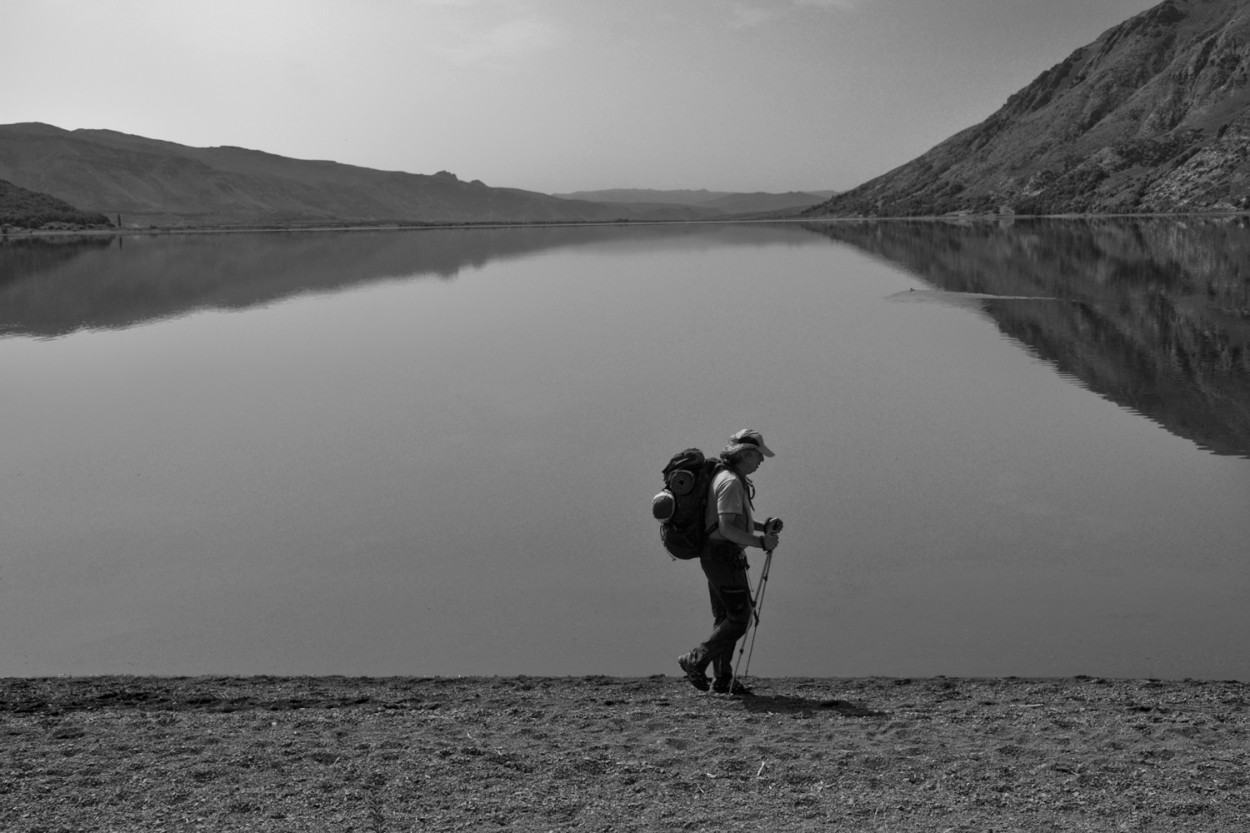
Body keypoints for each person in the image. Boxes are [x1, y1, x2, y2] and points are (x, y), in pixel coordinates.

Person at [678, 429, 781, 695]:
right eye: (758, 455)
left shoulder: (726, 477)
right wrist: (761, 542)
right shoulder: (732, 483)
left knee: (726, 616)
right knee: (740, 618)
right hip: (723, 556)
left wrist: (763, 525)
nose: (761, 461)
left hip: (716, 555)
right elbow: (726, 529)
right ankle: (695, 659)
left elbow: (730, 520)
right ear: (745, 454)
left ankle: (723, 679)